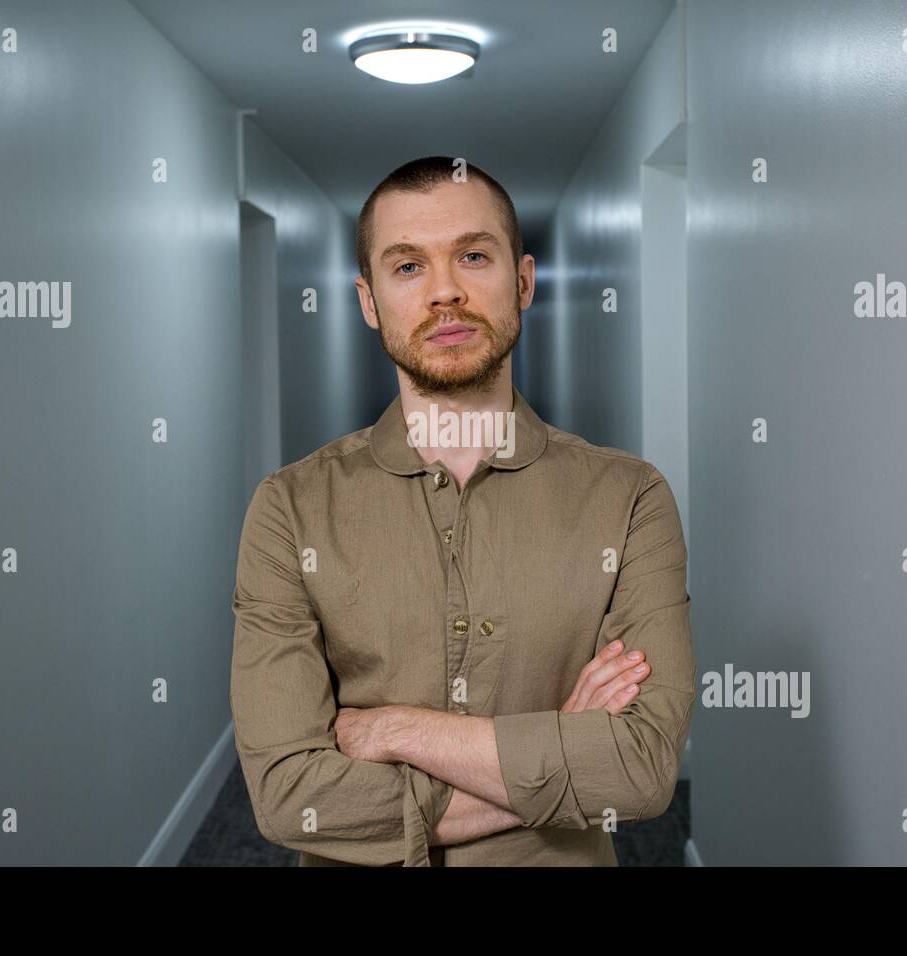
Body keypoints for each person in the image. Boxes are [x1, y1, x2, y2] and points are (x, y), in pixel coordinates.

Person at [229, 156, 696, 865]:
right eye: (408, 267)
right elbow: (294, 797)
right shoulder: (288, 511)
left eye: (473, 256)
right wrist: (557, 746)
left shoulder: (630, 499)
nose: (445, 292)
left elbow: (638, 769)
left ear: (524, 280)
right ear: (368, 300)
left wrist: (394, 729)